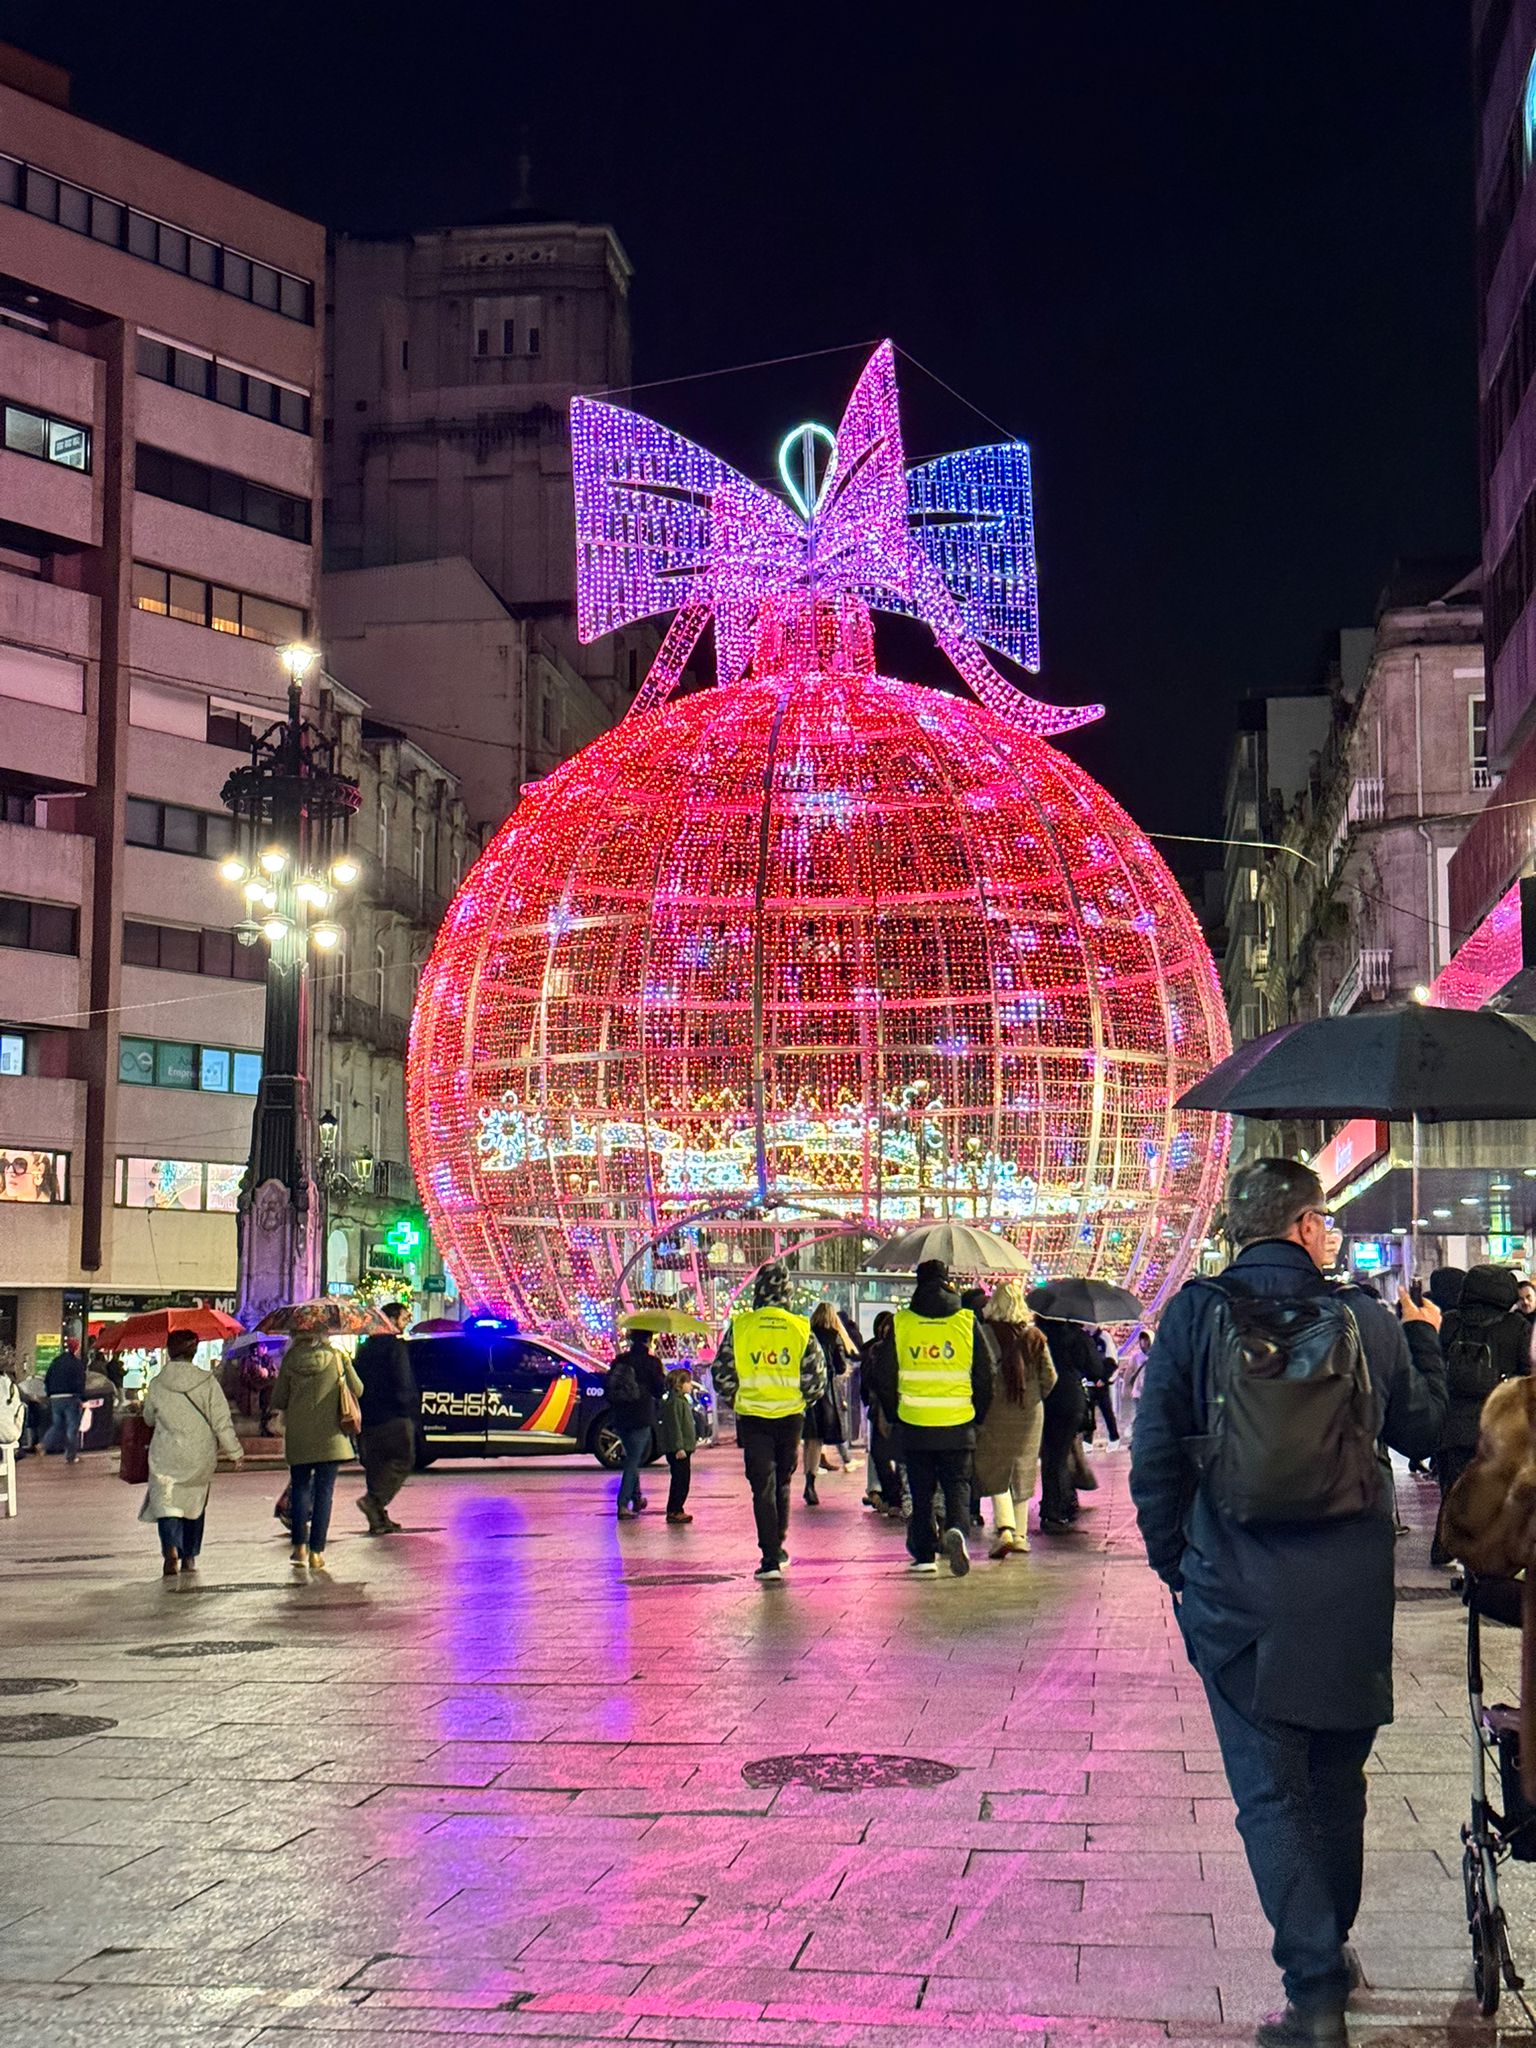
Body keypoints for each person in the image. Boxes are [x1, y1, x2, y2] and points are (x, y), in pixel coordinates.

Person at [1131, 1157, 1446, 2048]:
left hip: (1237, 1596)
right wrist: (1419, 1335)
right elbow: (1422, 1432)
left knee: (1272, 1797)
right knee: (1336, 1784)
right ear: (1306, 1227)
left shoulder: (1194, 1316)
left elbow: (1155, 1463)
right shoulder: (1366, 1318)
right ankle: (1327, 1956)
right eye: (1328, 1223)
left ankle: (1313, 1992)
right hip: (1348, 1598)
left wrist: (1179, 1572)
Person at [866, 1259, 995, 1577]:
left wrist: (895, 1411)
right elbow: (985, 1372)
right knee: (957, 1485)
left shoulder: (903, 1322)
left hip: (915, 1423)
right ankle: (958, 1531)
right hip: (958, 1420)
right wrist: (977, 1412)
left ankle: (924, 1553)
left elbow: (884, 1374)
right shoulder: (966, 1322)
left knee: (921, 1491)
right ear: (948, 1282)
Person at [711, 1262, 825, 1582]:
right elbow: (816, 1379)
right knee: (784, 1480)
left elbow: (721, 1374)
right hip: (790, 1418)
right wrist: (801, 1401)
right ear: (787, 1291)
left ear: (758, 1291)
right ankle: (779, 1544)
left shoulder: (742, 1326)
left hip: (754, 1418)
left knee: (762, 1484)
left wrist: (738, 1398)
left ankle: (770, 1556)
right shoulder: (800, 1328)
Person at [1431, 1263, 1530, 1567]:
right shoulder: (1517, 1327)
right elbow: (1526, 1377)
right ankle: (1485, 1559)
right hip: (1495, 1427)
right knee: (1494, 1496)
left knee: (1452, 1491)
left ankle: (1443, 1548)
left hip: (1452, 1424)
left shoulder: (1449, 1323)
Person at [139, 1329, 243, 1576]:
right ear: (194, 1352)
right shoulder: (207, 1382)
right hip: (199, 1453)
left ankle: (169, 1551)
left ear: (169, 1351)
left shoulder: (157, 1383)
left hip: (166, 1451)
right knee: (194, 1501)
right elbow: (221, 1421)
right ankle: (189, 1556)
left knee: (166, 1501)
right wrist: (234, 1451)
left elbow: (149, 1418)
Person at [976, 1283, 1057, 1556]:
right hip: (1030, 1411)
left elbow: (981, 1374)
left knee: (993, 1465)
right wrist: (1034, 1395)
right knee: (1024, 1467)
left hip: (996, 1410)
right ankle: (1020, 1535)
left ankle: (1006, 1528)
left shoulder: (984, 1334)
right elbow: (1050, 1376)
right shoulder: (1035, 1336)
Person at [271, 1333, 363, 1571]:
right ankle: (316, 1552)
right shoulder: (336, 1357)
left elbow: (278, 1398)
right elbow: (359, 1389)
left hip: (299, 1437)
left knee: (300, 1489)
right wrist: (346, 1364)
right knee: (324, 1494)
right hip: (330, 1438)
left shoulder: (291, 1359)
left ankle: (299, 1546)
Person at [353, 1302, 420, 1535]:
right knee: (403, 1460)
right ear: (391, 1319)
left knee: (376, 1465)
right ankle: (374, 1501)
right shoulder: (394, 1347)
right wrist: (409, 1407)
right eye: (403, 1319)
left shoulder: (366, 1347)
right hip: (393, 1415)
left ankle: (378, 1518)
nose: (405, 1324)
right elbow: (403, 1381)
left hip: (368, 1416)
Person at [1034, 1314, 1095, 1528]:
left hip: (1044, 1399)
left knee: (1050, 1455)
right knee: (1060, 1455)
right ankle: (1060, 1506)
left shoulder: (1038, 1335)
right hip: (1071, 1400)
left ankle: (1052, 1505)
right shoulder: (1078, 1337)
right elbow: (1095, 1369)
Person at [607, 1327, 666, 1520]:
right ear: (648, 1340)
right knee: (633, 1461)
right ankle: (623, 1504)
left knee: (633, 1457)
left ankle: (637, 1498)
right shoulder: (651, 1362)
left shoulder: (620, 1360)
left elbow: (608, 1386)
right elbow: (659, 1391)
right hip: (641, 1415)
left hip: (620, 1416)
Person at [804, 1303, 854, 1502]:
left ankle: (808, 1478)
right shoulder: (834, 1336)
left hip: (806, 1391)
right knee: (817, 1438)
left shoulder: (807, 1334)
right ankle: (810, 1481)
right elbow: (840, 1367)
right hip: (825, 1392)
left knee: (810, 1438)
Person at [860, 1310, 905, 1517]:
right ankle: (898, 1497)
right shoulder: (899, 1350)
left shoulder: (873, 1350)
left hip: (882, 1411)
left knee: (881, 1454)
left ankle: (891, 1496)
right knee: (896, 1457)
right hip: (897, 1410)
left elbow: (869, 1380)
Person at [659, 1366, 697, 1524]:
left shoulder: (681, 1402)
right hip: (679, 1449)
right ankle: (675, 1509)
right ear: (679, 1385)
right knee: (680, 1480)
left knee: (682, 1479)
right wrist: (679, 1446)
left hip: (684, 1447)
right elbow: (675, 1427)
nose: (691, 1385)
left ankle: (677, 1508)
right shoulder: (675, 1403)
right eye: (688, 1382)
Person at [42, 1339, 86, 1463]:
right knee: (72, 1428)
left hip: (55, 1397)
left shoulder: (56, 1361)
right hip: (70, 1397)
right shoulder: (76, 1364)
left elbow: (47, 1378)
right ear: (76, 1348)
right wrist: (82, 1398)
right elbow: (80, 1382)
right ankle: (71, 1456)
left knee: (57, 1425)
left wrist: (49, 1393)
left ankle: (44, 1444)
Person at [1081, 1328, 1120, 1444]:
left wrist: (1104, 1378)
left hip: (1101, 1384)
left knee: (1107, 1412)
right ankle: (1087, 1441)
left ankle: (1114, 1438)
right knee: (1088, 1413)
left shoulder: (1104, 1337)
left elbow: (1112, 1360)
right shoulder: (1083, 1338)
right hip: (1087, 1383)